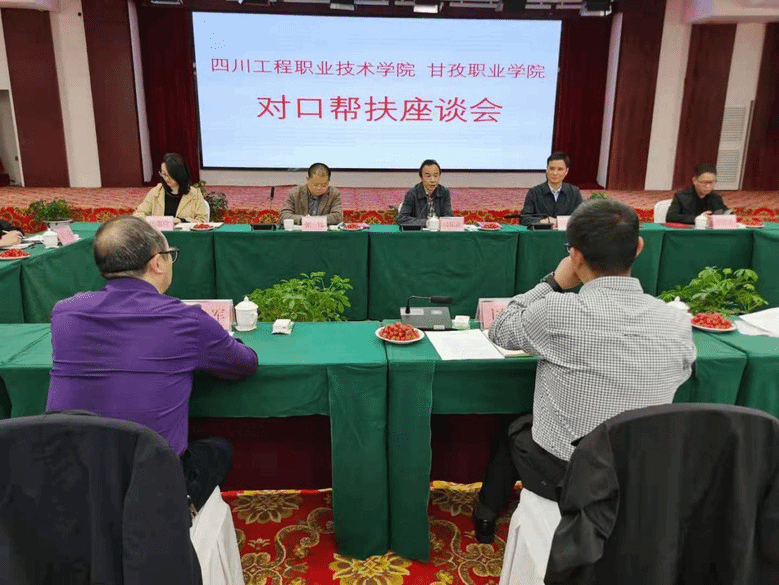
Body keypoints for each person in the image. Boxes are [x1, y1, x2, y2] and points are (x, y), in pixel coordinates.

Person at [473, 199, 696, 543]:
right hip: (639, 468)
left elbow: (500, 328)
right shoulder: (676, 322)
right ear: (639, 247)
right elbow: (683, 373)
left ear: (575, 257)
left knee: (514, 429)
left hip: (568, 471)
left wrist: (552, 282)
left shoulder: (557, 312)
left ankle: (486, 516)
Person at [46, 215, 258, 510]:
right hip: (148, 487)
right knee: (219, 450)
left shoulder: (65, 312)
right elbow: (245, 364)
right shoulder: (185, 320)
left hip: (70, 479)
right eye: (171, 254)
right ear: (158, 262)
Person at [134, 153, 210, 224]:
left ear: (179, 174)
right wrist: (151, 221)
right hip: (158, 233)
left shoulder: (195, 194)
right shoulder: (156, 192)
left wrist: (181, 220)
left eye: (169, 175)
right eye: (164, 174)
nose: (166, 178)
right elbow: (139, 214)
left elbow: (202, 221)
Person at [520, 152, 583, 227]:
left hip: (566, 233)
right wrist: (543, 221)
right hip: (542, 233)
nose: (555, 173)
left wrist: (561, 222)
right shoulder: (534, 192)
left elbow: (582, 218)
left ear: (566, 171)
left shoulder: (574, 192)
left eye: (560, 169)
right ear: (546, 169)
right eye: (551, 169)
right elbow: (524, 219)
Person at [279, 163, 343, 225]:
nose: (319, 188)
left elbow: (338, 216)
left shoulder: (334, 194)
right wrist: (303, 220)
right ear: (308, 179)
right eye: (315, 184)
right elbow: (284, 215)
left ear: (329, 181)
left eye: (324, 185)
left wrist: (313, 220)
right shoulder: (294, 193)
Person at [398, 159, 453, 226]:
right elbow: (402, 219)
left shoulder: (444, 192)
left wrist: (438, 223)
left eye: (435, 176)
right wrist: (427, 223)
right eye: (428, 176)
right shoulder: (412, 193)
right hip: (419, 231)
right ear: (421, 177)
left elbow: (448, 217)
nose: (432, 180)